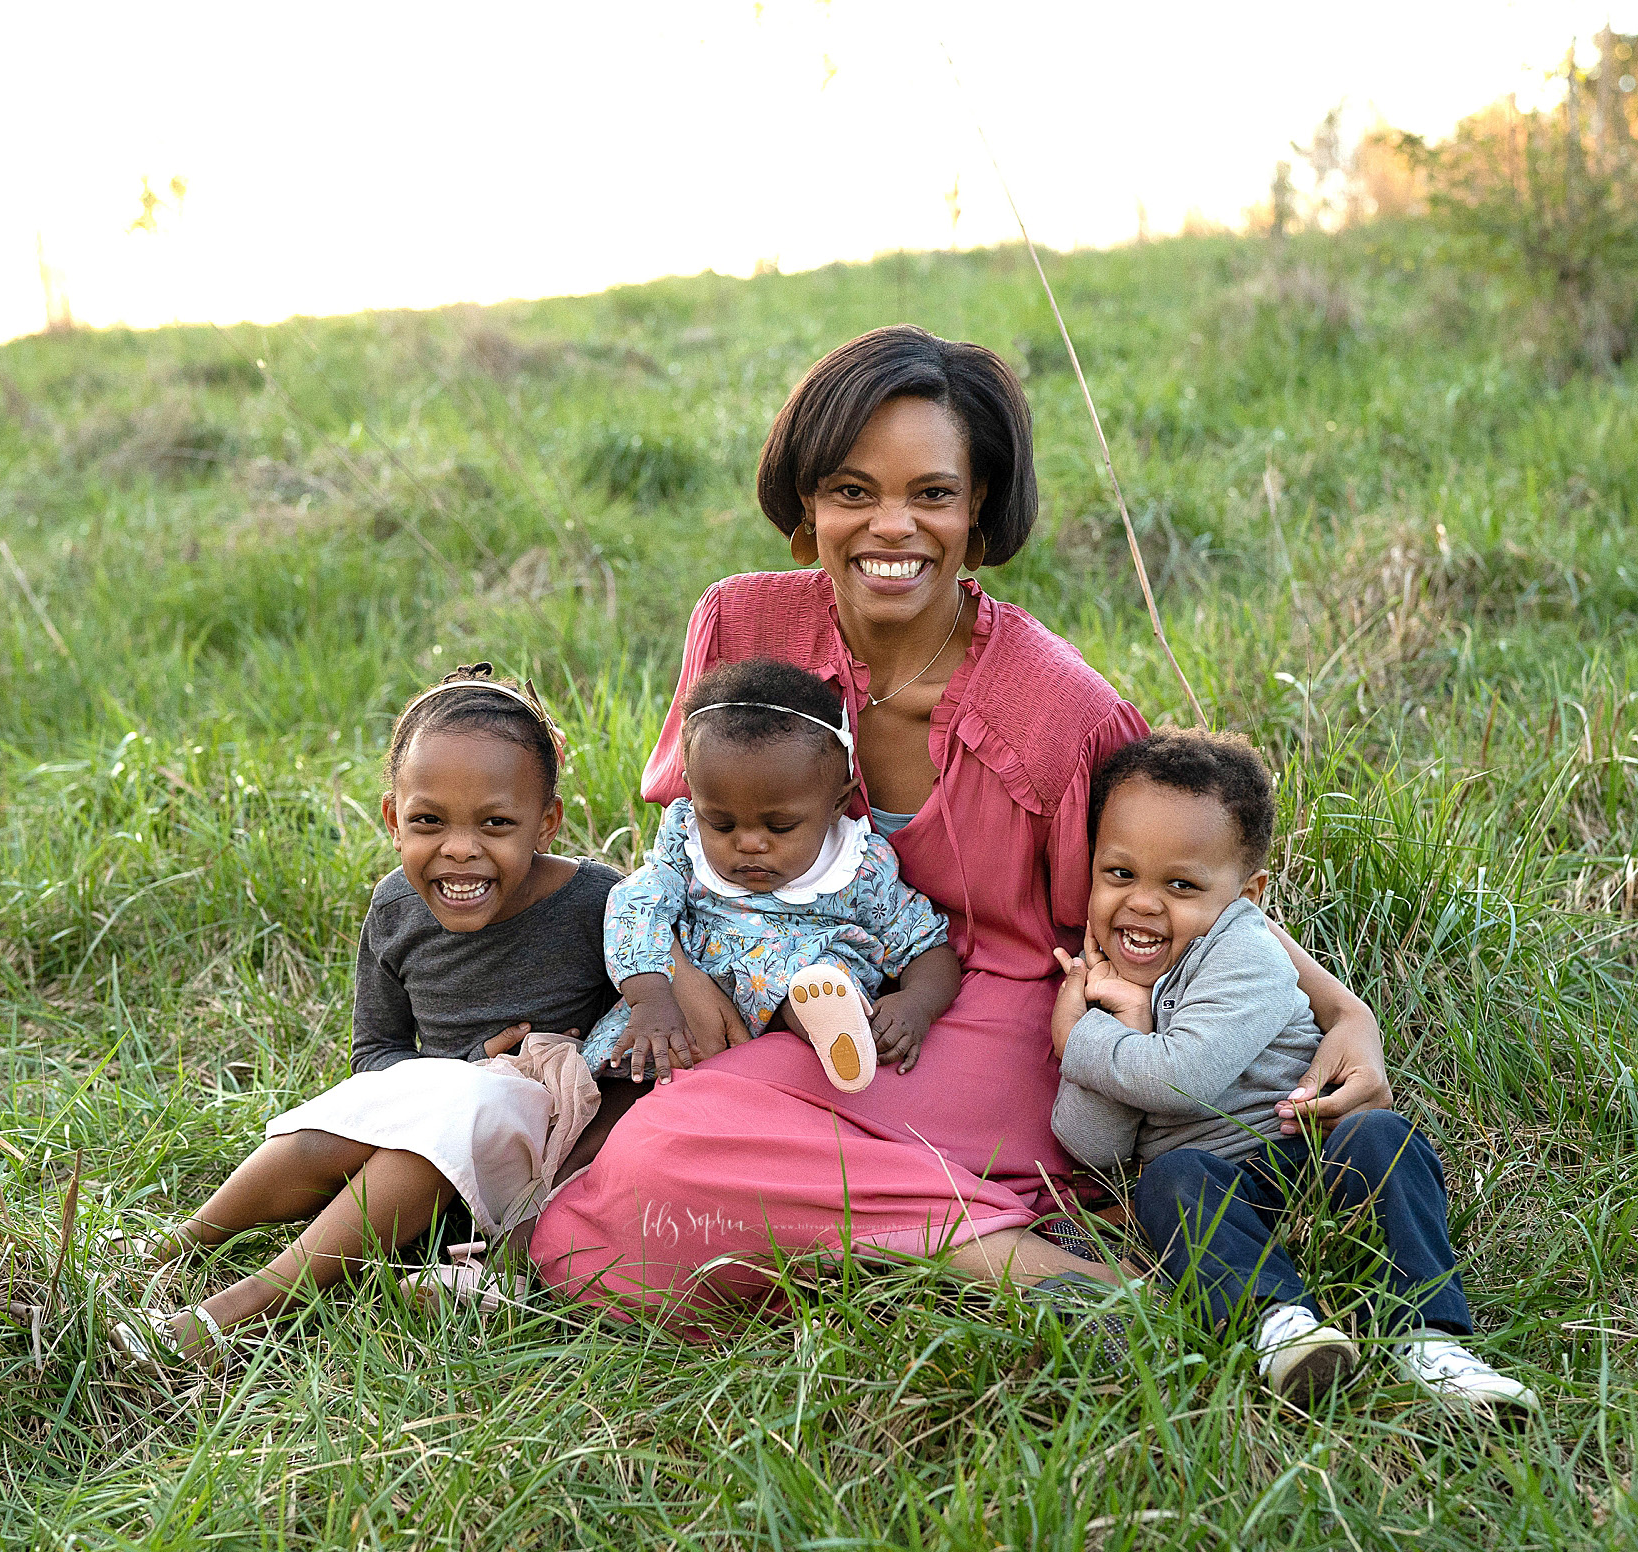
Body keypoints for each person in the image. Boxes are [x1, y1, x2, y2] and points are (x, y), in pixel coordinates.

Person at [529, 325, 1393, 1331]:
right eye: (852, 491)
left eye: (930, 493)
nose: (890, 527)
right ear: (808, 504)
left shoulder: (1055, 708)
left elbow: (1169, 886)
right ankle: (901, 1231)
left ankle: (1036, 1273)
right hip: (811, 991)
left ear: (976, 507)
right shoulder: (743, 625)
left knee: (666, 1159)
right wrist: (678, 970)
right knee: (636, 1165)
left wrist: (1344, 1010)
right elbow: (687, 840)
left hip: (1001, 1016)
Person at [112, 666, 619, 1368]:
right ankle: (181, 1240)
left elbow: (637, 1040)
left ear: (547, 821)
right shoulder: (396, 909)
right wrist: (463, 1065)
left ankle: (245, 1307)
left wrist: (512, 1072)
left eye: (497, 823)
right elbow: (376, 1054)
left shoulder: (598, 904)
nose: (461, 849)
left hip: (528, 1147)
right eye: (428, 821)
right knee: (342, 1125)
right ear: (391, 818)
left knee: (469, 1103)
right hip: (431, 1129)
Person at [1054, 728, 1536, 1417]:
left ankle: (1431, 1341)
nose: (1143, 903)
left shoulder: (1244, 950)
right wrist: (1120, 1023)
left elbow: (1177, 1078)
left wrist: (1079, 1037)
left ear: (1246, 893)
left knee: (1381, 1137)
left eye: (1182, 884)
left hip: (1305, 1150)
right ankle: (1283, 1326)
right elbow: (1091, 1145)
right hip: (1218, 1183)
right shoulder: (1109, 979)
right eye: (1119, 873)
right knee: (1170, 1180)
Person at [583, 656, 961, 1097]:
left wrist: (916, 1005)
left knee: (815, 981)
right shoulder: (684, 849)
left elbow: (927, 948)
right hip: (680, 1011)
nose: (750, 844)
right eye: (721, 824)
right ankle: (573, 1161)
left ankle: (832, 1028)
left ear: (837, 803)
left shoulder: (859, 868)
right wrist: (650, 999)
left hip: (805, 990)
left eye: (779, 828)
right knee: (624, 1078)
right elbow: (635, 906)